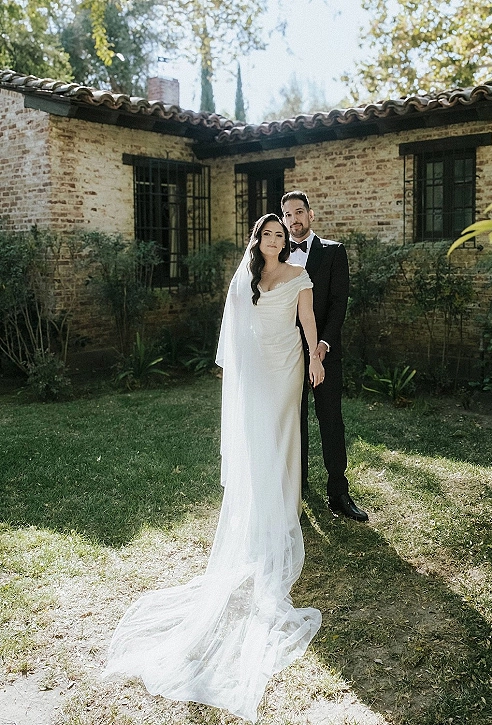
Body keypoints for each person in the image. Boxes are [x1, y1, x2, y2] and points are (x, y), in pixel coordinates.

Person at [103, 214, 323, 723]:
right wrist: (238, 374)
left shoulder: (299, 276)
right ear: (257, 240)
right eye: (267, 235)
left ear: (287, 241)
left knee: (283, 436)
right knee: (257, 438)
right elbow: (235, 329)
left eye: (280, 235)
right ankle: (263, 509)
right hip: (256, 370)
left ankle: (284, 508)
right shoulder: (245, 276)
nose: (274, 240)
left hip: (289, 363)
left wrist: (316, 357)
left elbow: (307, 321)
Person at [281, 190, 369, 523]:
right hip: (287, 354)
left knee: (330, 420)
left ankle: (339, 493)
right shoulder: (277, 253)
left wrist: (322, 346)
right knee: (293, 422)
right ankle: (297, 490)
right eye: (288, 215)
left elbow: (338, 304)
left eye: (299, 213)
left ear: (311, 215)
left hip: (324, 354)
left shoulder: (333, 252)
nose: (294, 221)